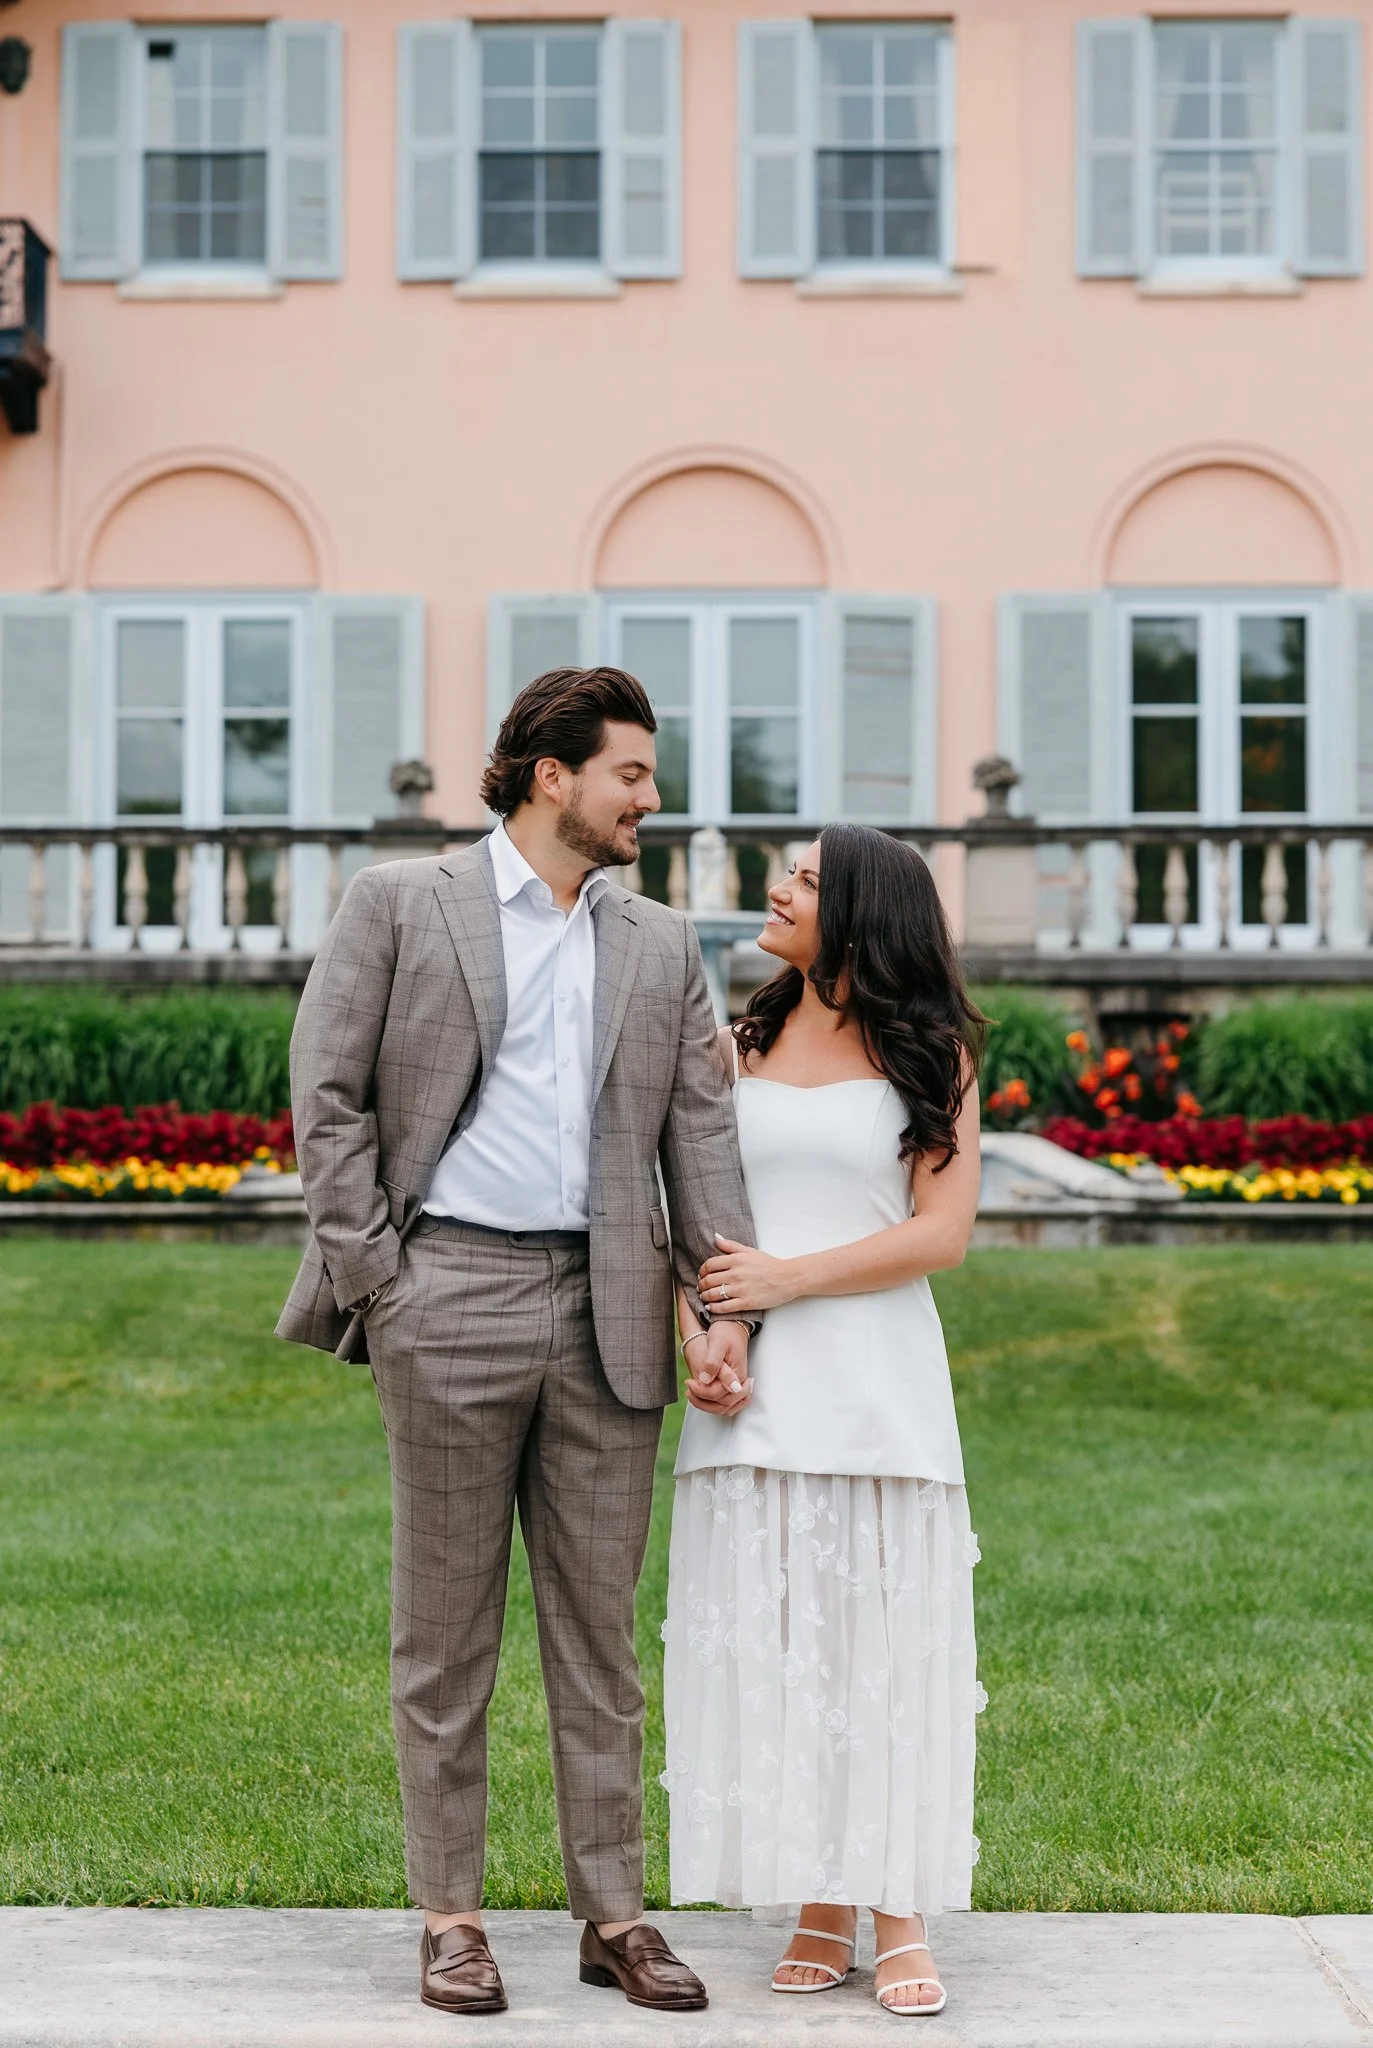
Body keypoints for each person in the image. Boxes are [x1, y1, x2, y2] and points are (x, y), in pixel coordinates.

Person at [277, 666, 758, 2017]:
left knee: (600, 1639)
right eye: (632, 777)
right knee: (444, 1636)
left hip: (608, 1314)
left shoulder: (660, 946)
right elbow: (326, 1098)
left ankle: (615, 1916)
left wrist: (723, 1305)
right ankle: (452, 1919)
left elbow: (699, 1136)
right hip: (449, 1296)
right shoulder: (399, 905)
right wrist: (383, 1281)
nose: (649, 803)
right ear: (554, 776)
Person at [660, 823, 986, 2019]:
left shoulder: (928, 1051)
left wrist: (786, 1281)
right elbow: (685, 1210)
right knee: (779, 1643)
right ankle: (818, 1897)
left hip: (879, 1389)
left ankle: (894, 1906)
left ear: (855, 909)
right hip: (749, 1396)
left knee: (877, 1652)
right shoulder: (733, 1039)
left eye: (800, 877)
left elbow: (938, 1233)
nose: (774, 888)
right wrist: (701, 1333)